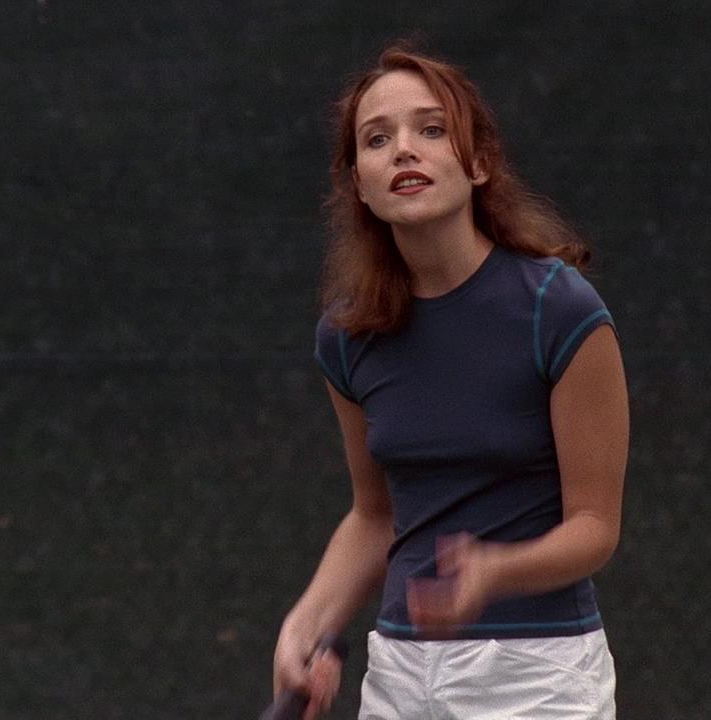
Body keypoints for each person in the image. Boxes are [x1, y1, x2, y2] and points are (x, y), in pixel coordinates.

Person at [272, 42, 629, 719]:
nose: (404, 150)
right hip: (401, 673)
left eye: (431, 129)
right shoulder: (347, 335)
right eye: (377, 139)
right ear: (360, 185)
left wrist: (496, 569)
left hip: (540, 675)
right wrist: (305, 623)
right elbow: (375, 514)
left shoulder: (560, 311)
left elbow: (594, 526)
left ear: (479, 163)